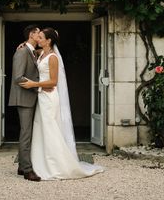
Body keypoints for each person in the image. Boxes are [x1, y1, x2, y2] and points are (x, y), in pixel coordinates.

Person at [19, 27, 104, 180]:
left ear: (48, 41)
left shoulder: (53, 57)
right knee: (42, 130)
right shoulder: (42, 53)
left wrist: (33, 84)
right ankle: (40, 163)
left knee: (51, 130)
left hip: (49, 98)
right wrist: (23, 45)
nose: (38, 39)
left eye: (41, 37)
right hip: (42, 97)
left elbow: (53, 82)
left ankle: (56, 165)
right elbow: (31, 52)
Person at [8, 24, 42, 181]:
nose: (40, 35)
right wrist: (38, 86)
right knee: (26, 134)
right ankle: (28, 170)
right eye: (38, 33)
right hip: (24, 98)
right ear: (31, 34)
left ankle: (22, 166)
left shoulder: (33, 51)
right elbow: (18, 77)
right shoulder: (22, 52)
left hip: (30, 97)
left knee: (27, 133)